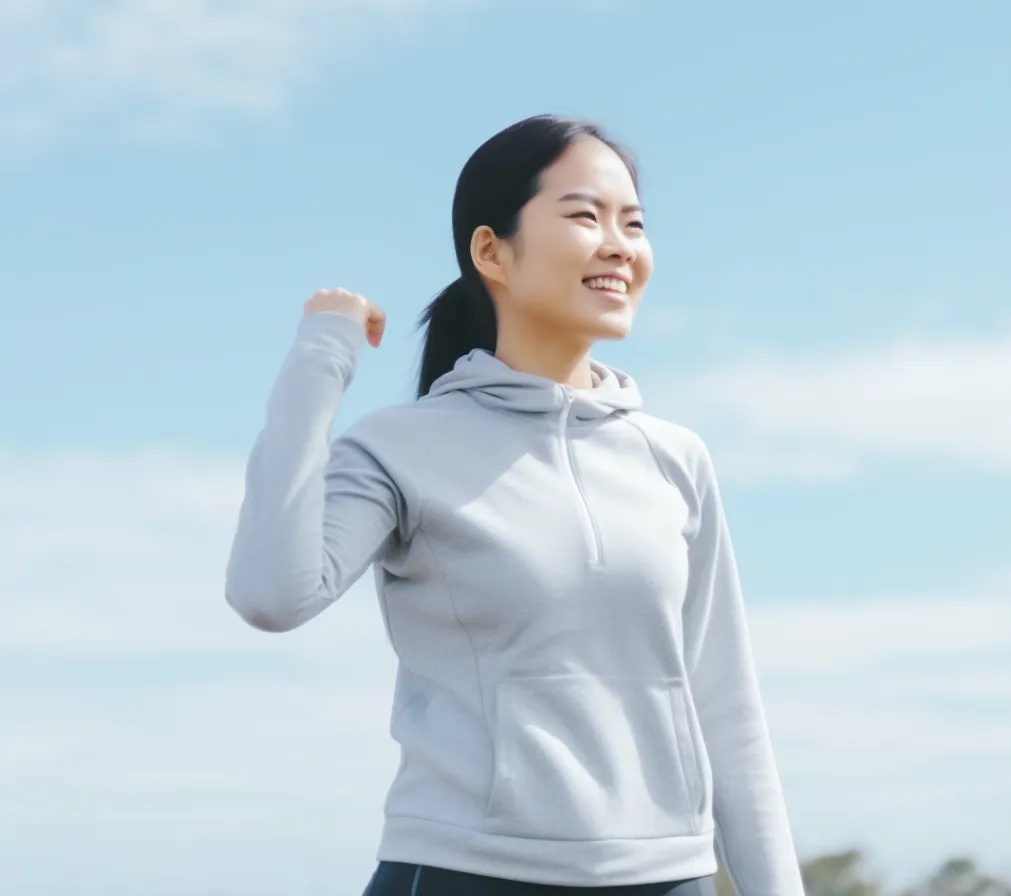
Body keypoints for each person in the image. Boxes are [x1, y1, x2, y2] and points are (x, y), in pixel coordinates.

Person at [224, 114, 805, 896]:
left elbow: (727, 709)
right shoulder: (403, 446)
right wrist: (319, 360)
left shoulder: (676, 459)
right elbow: (271, 593)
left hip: (671, 877)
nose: (618, 244)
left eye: (633, 223)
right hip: (468, 873)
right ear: (491, 251)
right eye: (583, 215)